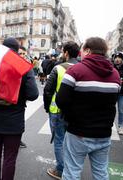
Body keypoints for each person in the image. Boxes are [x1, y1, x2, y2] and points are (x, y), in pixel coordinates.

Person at [56, 37, 120, 180]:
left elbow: (61, 100)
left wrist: (72, 117)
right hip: (103, 133)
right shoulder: (115, 74)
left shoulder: (75, 71)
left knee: (72, 172)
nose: (80, 53)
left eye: (82, 49)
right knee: (101, 173)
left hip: (78, 132)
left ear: (88, 50)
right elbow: (113, 100)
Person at [0, 37, 39, 180]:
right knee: (10, 158)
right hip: (14, 119)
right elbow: (33, 94)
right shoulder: (24, 66)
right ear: (17, 49)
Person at [43, 41, 79, 179]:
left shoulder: (58, 68)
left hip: (57, 111)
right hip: (76, 112)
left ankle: (61, 169)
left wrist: (47, 107)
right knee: (72, 141)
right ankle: (72, 169)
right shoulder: (83, 68)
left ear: (66, 53)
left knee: (59, 140)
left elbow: (47, 91)